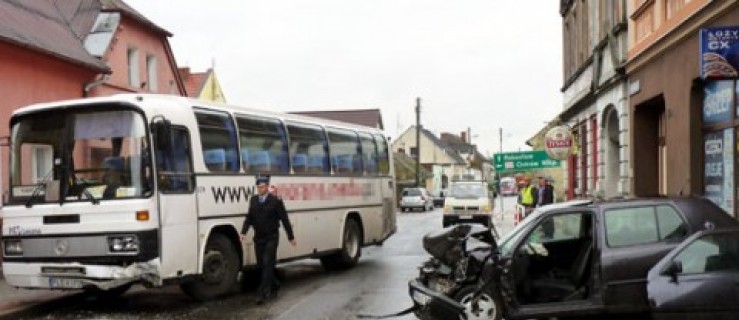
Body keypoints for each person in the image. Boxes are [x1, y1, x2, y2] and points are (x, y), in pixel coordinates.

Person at [240, 176, 296, 305]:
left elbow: (284, 219)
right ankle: (275, 284)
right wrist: (243, 232)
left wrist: (290, 237)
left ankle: (262, 293)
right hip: (258, 238)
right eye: (258, 187)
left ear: (267, 187)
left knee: (267, 263)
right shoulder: (253, 200)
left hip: (272, 237)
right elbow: (249, 218)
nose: (260, 189)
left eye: (262, 187)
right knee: (262, 265)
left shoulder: (275, 201)